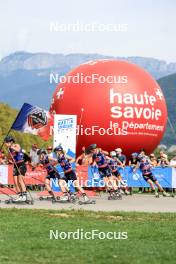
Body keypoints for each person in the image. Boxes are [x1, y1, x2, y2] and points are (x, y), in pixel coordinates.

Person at [4, 136, 27, 201]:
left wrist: (10, 146)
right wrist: (9, 158)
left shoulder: (16, 145)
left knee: (20, 180)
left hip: (21, 164)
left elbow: (18, 150)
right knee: (15, 182)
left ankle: (24, 196)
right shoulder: (9, 149)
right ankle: (20, 195)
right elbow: (9, 157)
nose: (5, 143)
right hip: (15, 165)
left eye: (6, 142)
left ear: (11, 142)